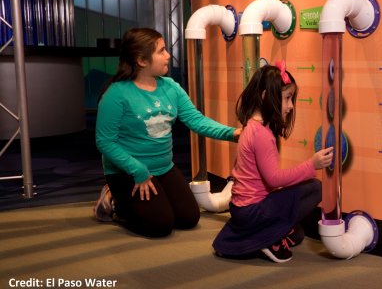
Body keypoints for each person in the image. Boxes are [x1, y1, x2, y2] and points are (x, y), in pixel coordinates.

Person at [92, 27, 241, 238]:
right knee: (160, 226)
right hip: (129, 172)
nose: (168, 55)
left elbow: (195, 120)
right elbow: (105, 142)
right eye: (161, 51)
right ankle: (115, 202)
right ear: (142, 61)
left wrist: (233, 133)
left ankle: (141, 200)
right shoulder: (116, 94)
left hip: (163, 168)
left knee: (189, 218)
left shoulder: (171, 87)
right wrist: (138, 170)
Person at [213, 62, 334, 263]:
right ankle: (266, 240)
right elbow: (274, 178)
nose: (291, 106)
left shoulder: (252, 126)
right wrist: (312, 164)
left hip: (242, 209)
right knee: (315, 188)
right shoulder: (261, 134)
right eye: (287, 98)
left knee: (298, 234)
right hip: (252, 210)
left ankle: (261, 237)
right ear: (266, 97)